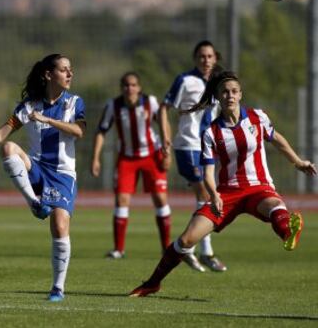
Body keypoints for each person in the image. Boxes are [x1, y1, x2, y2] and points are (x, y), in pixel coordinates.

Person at [129, 70, 316, 297]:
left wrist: (297, 162)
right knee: (186, 240)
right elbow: (208, 172)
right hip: (226, 194)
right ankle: (152, 283)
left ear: (240, 95)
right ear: (218, 97)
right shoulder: (211, 132)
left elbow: (278, 140)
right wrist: (214, 194)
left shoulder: (258, 118)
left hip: (259, 187)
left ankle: (289, 231)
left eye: (234, 91)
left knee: (277, 210)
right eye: (225, 92)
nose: (230, 95)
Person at [0, 54, 86, 302]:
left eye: (70, 70)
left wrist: (48, 120)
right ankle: (34, 202)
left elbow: (79, 131)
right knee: (9, 148)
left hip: (63, 174)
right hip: (37, 167)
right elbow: (4, 131)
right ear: (48, 74)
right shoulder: (29, 106)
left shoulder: (74, 102)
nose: (69, 74)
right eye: (64, 70)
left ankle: (57, 288)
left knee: (60, 225)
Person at [159, 40, 226, 272]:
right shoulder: (185, 80)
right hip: (187, 145)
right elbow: (163, 107)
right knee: (207, 194)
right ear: (195, 59)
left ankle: (194, 247)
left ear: (215, 58)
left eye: (209, 56)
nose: (205, 60)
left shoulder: (219, 84)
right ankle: (202, 250)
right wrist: (165, 137)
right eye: (201, 56)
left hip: (207, 147)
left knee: (209, 196)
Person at [91, 72, 171, 259]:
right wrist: (95, 158)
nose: (130, 89)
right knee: (122, 200)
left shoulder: (150, 102)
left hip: (152, 155)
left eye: (134, 85)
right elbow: (101, 131)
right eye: (126, 85)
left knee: (160, 198)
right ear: (122, 88)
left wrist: (168, 150)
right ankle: (118, 250)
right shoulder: (113, 106)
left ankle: (167, 248)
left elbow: (164, 123)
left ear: (139, 87)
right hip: (127, 158)